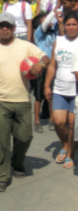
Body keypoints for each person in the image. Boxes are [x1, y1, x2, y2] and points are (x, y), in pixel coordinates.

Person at [0, 12, 49, 192]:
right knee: (1, 140)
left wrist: (41, 65)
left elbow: (45, 57)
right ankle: (2, 176)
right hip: (0, 101)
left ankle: (17, 161)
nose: (5, 29)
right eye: (2, 25)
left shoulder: (26, 46)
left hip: (22, 100)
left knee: (25, 137)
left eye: (8, 26)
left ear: (14, 28)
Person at [44, 11, 78, 168]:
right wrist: (47, 85)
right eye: (68, 24)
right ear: (64, 25)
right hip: (59, 88)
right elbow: (52, 64)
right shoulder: (59, 40)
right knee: (58, 122)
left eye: (74, 24)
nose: (71, 27)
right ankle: (65, 144)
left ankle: (70, 154)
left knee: (72, 124)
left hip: (75, 91)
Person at [32, 10, 59, 133]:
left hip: (52, 68)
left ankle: (52, 119)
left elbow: (56, 23)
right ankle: (37, 121)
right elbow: (46, 22)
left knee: (51, 96)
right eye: (46, 22)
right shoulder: (39, 33)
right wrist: (54, 10)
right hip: (40, 67)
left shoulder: (55, 33)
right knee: (38, 96)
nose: (50, 23)